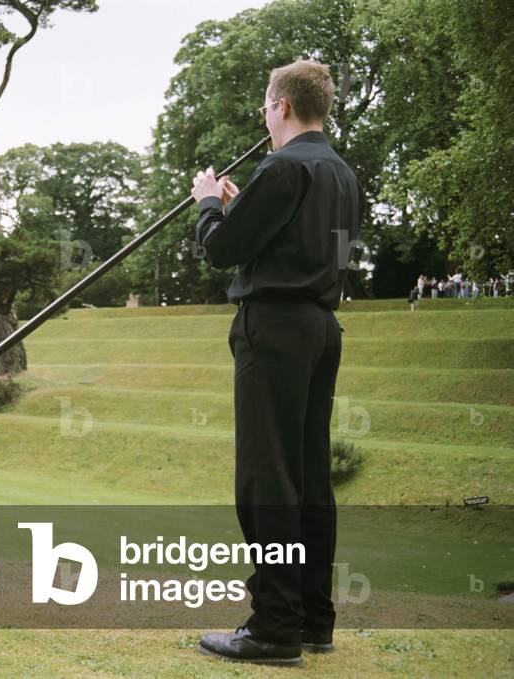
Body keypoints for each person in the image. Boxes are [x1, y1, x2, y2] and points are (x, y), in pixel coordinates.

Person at [190, 59, 362, 667]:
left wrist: (210, 203)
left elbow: (221, 250)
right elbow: (300, 244)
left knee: (267, 479)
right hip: (321, 329)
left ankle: (273, 627)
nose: (264, 116)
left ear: (282, 107)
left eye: (266, 106)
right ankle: (313, 620)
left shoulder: (283, 166)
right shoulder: (340, 174)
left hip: (276, 332)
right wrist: (247, 207)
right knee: (310, 478)